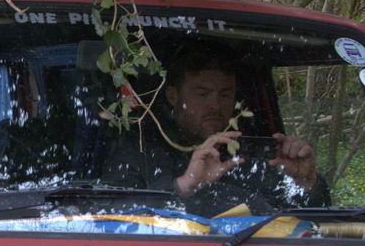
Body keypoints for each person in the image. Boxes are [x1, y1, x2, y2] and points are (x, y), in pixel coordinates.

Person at [103, 40, 329, 215]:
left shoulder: (253, 151)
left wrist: (307, 183)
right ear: (173, 96)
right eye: (202, 94)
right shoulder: (139, 148)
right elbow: (106, 213)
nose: (215, 105)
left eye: (225, 94)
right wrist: (182, 187)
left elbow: (307, 221)